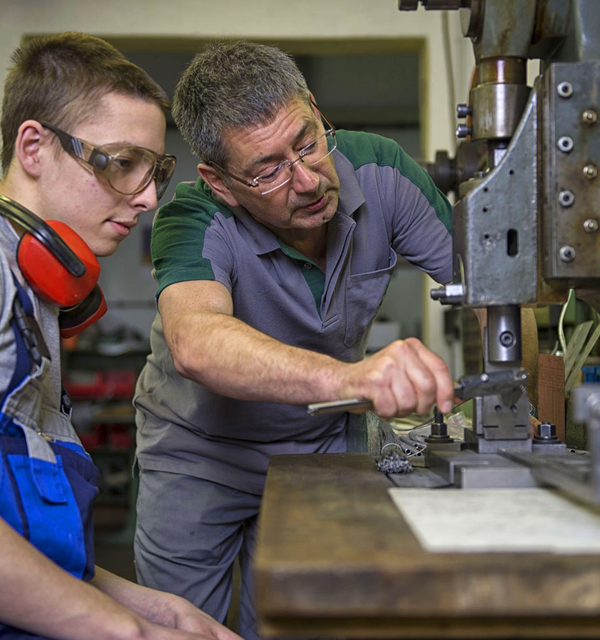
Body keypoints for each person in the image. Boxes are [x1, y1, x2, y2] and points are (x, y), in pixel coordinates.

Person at [132, 40, 538, 639]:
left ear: (318, 110)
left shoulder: (380, 171)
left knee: (302, 618)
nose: (306, 180)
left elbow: (489, 286)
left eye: (307, 142)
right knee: (178, 630)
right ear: (219, 182)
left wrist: (514, 410)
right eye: (268, 170)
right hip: (199, 455)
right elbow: (197, 340)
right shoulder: (193, 217)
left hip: (319, 450)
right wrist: (354, 378)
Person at [0, 33, 241, 640]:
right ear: (34, 147)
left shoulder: (33, 291)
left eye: (156, 169)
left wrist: (153, 607)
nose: (151, 197)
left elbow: (32, 544)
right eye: (122, 162)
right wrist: (126, 630)